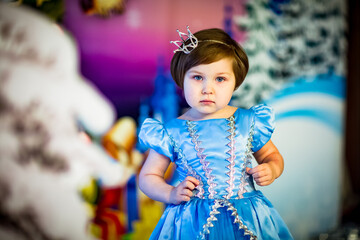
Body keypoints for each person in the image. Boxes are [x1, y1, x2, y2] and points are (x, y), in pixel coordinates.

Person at [138, 26, 293, 240]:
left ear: (235, 83)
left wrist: (272, 168)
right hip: (190, 222)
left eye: (220, 79)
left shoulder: (248, 121)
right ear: (182, 79)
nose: (207, 89)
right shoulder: (172, 131)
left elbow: (270, 156)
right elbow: (148, 176)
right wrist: (171, 193)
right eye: (197, 77)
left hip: (248, 215)